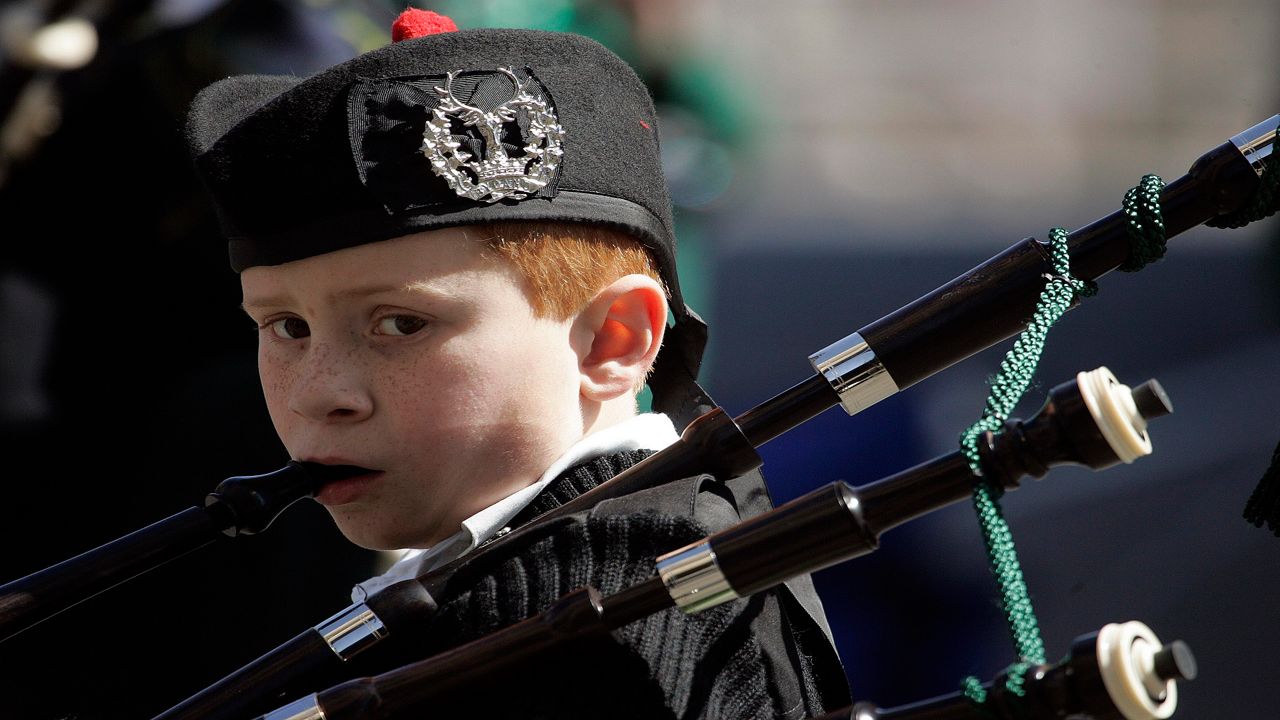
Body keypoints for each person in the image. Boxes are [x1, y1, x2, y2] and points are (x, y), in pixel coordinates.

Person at [186, 9, 849, 718]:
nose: (321, 392)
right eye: (286, 326)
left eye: (402, 323)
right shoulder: (537, 582)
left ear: (611, 342)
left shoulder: (607, 630)